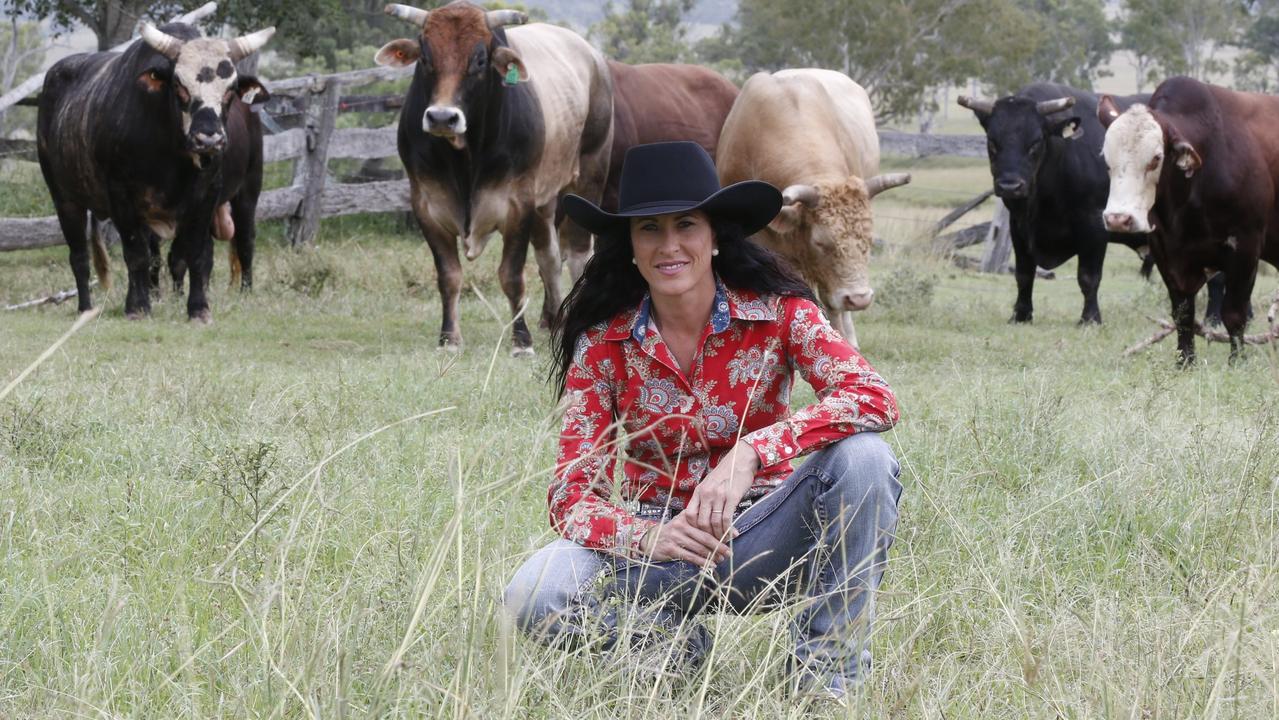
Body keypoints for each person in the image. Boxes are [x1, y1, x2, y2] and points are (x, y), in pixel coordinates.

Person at [502, 141, 901, 701]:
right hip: (657, 551)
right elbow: (571, 495)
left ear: (714, 237)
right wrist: (652, 537)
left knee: (866, 458)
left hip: (767, 531)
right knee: (529, 594)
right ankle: (669, 649)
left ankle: (823, 680)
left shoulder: (781, 314)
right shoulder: (603, 344)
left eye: (686, 224)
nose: (669, 245)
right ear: (631, 248)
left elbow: (873, 396)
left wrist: (753, 453)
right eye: (649, 229)